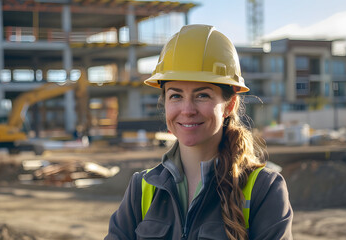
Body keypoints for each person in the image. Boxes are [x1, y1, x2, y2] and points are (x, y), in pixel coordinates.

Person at [105, 24, 293, 240]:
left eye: (202, 95)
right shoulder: (142, 189)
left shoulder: (263, 189)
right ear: (164, 103)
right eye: (175, 96)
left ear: (229, 105)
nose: (187, 110)